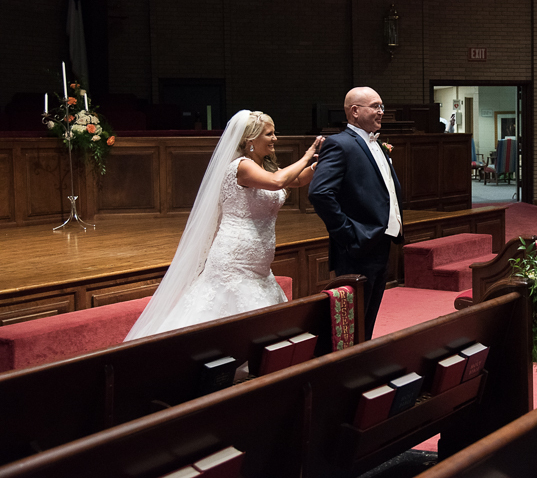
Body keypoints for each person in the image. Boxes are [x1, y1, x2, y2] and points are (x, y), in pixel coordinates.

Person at [125, 110, 323, 341]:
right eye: (270, 134)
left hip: (259, 259)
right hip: (235, 257)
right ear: (251, 140)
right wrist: (307, 154)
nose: (275, 139)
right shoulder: (241, 167)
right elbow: (277, 182)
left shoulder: (263, 166)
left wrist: (319, 165)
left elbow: (296, 180)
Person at [308, 87, 403, 340]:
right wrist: (347, 233)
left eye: (382, 106)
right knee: (351, 324)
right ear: (355, 111)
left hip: (381, 241)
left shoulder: (378, 144)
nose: (381, 112)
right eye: (375, 106)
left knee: (367, 320)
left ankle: (363, 365)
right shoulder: (340, 144)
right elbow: (319, 193)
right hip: (358, 245)